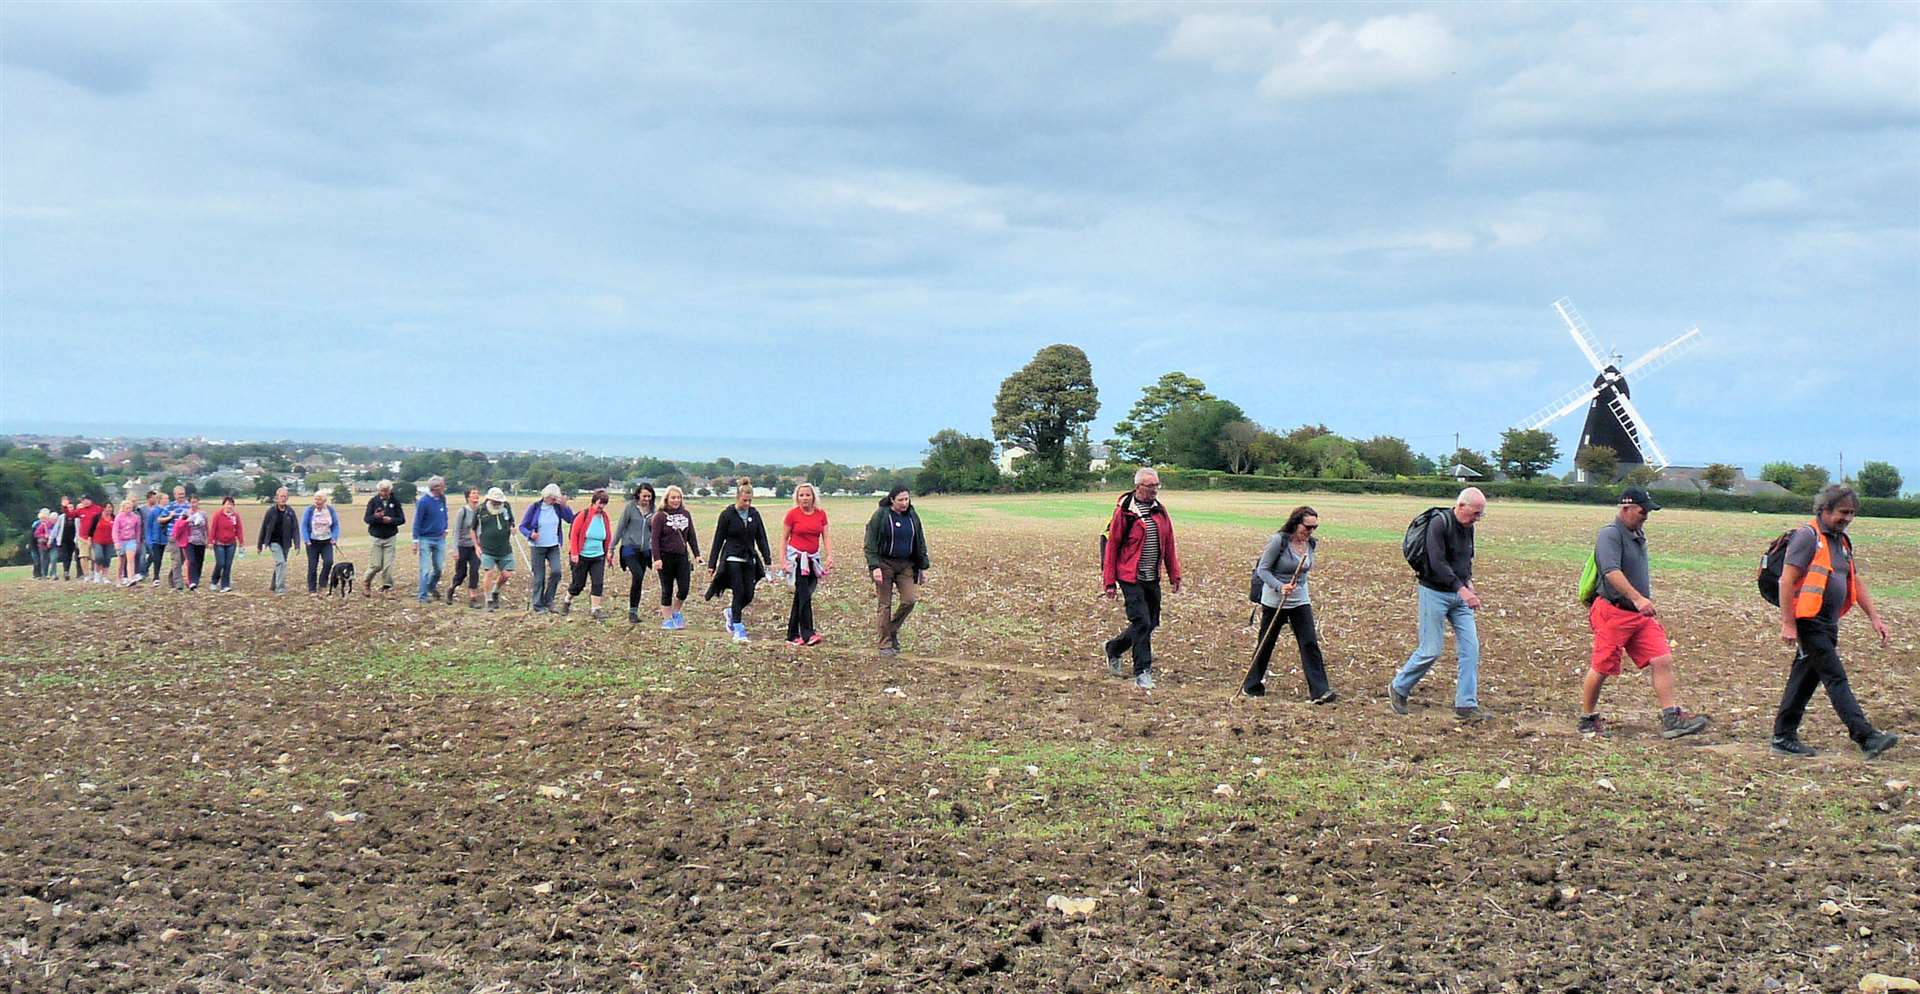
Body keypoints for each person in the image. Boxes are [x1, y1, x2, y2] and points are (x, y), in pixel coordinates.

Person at [1770, 485, 1899, 760]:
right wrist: (1788, 623)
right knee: (1835, 677)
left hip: (1828, 622)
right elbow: (1786, 580)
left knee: (1804, 678)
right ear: (1824, 509)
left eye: (1852, 513)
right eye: (1843, 512)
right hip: (1809, 621)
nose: (1848, 518)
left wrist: (1875, 618)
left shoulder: (1841, 540)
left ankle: (1783, 736)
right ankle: (1866, 737)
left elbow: (1855, 580)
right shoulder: (1808, 537)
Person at [1577, 488, 1709, 739]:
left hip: (1638, 615)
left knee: (1661, 658)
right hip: (1613, 612)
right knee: (1602, 667)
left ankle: (1671, 717)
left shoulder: (1637, 533)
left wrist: (1639, 603)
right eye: (1642, 510)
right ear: (1625, 507)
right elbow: (1610, 571)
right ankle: (1587, 718)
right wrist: (1637, 599)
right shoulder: (1610, 535)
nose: (1646, 515)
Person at [1390, 488, 1490, 721]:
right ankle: (1399, 688)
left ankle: (1466, 705)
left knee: (1470, 649)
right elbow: (1437, 563)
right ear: (1461, 506)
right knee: (1431, 649)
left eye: (1480, 515)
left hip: (1460, 595)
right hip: (1434, 593)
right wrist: (1462, 589)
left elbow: (1466, 558)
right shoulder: (1439, 523)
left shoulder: (1468, 527)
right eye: (1475, 513)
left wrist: (1469, 582)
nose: (1477, 519)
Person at [1241, 505, 1334, 703]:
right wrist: (1280, 586)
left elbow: (1304, 572)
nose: (1310, 532)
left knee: (1309, 643)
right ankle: (1251, 685)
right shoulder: (1278, 541)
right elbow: (1263, 570)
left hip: (1300, 600)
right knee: (1266, 643)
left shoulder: (1311, 544)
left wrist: (1296, 587)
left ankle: (1320, 691)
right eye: (1307, 527)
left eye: (1314, 528)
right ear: (1296, 523)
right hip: (1275, 601)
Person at [1100, 469, 1181, 690]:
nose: (1155, 489)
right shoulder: (1125, 512)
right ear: (1138, 487)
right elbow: (1112, 546)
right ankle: (1143, 672)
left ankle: (1114, 648)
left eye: (1157, 485)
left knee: (1151, 622)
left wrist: (1174, 574)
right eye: (1150, 486)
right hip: (1130, 576)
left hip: (1151, 576)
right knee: (1142, 622)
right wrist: (1109, 582)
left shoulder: (1160, 511)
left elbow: (1169, 544)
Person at [865, 485, 932, 658]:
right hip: (884, 564)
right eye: (900, 499)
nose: (904, 503)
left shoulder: (912, 516)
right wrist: (874, 567)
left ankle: (891, 629)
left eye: (907, 499)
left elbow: (919, 541)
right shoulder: (881, 515)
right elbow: (870, 543)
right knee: (885, 604)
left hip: (906, 565)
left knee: (909, 600)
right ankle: (885, 643)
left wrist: (923, 567)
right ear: (892, 500)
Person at [705, 478, 774, 642]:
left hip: (749, 558)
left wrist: (767, 559)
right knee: (738, 592)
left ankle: (731, 612)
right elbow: (718, 540)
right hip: (732, 559)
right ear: (737, 497)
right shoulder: (727, 515)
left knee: (748, 594)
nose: (747, 504)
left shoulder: (754, 515)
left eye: (750, 500)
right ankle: (738, 629)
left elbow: (761, 538)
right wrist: (712, 564)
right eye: (745, 500)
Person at [782, 482, 832, 647]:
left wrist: (829, 555)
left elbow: (825, 536)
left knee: (803, 596)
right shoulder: (792, 515)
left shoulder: (821, 514)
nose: (804, 498)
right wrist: (783, 560)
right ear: (797, 497)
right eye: (801, 495)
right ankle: (808, 633)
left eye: (807, 495)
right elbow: (784, 538)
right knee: (803, 594)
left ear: (813, 497)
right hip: (797, 559)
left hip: (813, 559)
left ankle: (792, 634)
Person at [519, 484, 575, 614]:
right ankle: (538, 605)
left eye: (556, 498)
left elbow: (570, 519)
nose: (554, 501)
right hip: (537, 547)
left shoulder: (557, 508)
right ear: (546, 496)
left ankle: (549, 600)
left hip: (553, 545)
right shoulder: (535, 507)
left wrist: (565, 505)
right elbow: (523, 526)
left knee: (556, 572)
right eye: (552, 498)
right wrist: (530, 534)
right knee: (539, 577)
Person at [650, 485, 700, 629]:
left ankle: (676, 612)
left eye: (678, 497)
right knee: (667, 589)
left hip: (682, 557)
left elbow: (691, 535)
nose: (676, 500)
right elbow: (655, 539)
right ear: (666, 499)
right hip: (665, 557)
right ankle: (667, 619)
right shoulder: (659, 516)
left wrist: (697, 555)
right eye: (673, 497)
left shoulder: (686, 514)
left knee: (684, 588)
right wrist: (657, 558)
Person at [561, 488, 615, 620]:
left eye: (604, 504)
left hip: (598, 556)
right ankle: (567, 600)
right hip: (582, 555)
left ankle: (595, 609)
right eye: (600, 503)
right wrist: (574, 553)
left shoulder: (605, 517)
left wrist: (609, 552)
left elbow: (607, 536)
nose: (601, 506)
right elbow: (574, 534)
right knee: (578, 584)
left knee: (598, 582)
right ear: (594, 502)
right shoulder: (583, 515)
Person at [615, 483, 657, 624]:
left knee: (638, 581)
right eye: (644, 496)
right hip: (629, 548)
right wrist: (611, 548)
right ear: (638, 494)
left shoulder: (654, 510)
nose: (647, 499)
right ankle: (632, 611)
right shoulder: (630, 508)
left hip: (644, 550)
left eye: (649, 497)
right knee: (637, 575)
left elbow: (656, 532)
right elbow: (620, 527)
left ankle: (633, 611)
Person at [475, 487, 517, 612]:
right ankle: (488, 601)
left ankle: (495, 591)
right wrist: (477, 546)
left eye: (499, 501)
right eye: (495, 501)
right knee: (489, 573)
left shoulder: (506, 506)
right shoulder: (481, 509)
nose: (498, 503)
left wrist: (513, 528)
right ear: (490, 499)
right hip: (487, 548)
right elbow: (473, 529)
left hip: (504, 548)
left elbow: (511, 522)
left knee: (506, 574)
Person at [362, 481, 406, 595]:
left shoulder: (395, 502)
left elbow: (401, 519)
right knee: (376, 565)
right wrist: (376, 517)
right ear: (379, 490)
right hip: (376, 536)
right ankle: (366, 582)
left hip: (390, 536)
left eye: (386, 490)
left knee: (388, 566)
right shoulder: (373, 502)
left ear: (390, 491)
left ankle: (387, 587)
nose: (384, 493)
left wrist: (391, 520)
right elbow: (367, 519)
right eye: (382, 490)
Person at [257, 486, 301, 595]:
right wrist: (259, 545)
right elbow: (264, 528)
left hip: (286, 543)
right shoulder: (271, 511)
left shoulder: (290, 512)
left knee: (280, 564)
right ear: (277, 497)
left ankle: (273, 585)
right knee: (281, 562)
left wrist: (297, 545)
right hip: (273, 542)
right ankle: (280, 589)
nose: (283, 498)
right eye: (281, 496)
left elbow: (295, 529)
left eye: (285, 496)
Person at [446, 487, 484, 608]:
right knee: (461, 574)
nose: (476, 495)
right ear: (468, 496)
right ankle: (451, 589)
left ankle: (473, 598)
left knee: (474, 570)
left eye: (477, 493)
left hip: (475, 547)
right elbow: (456, 531)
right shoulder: (462, 511)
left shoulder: (480, 511)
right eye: (473, 493)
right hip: (462, 546)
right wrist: (455, 549)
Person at [413, 475, 448, 604]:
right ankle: (422, 596)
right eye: (443, 485)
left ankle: (431, 586)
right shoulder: (423, 502)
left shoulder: (442, 499)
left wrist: (445, 528)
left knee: (439, 568)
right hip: (425, 539)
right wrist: (415, 541)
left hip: (439, 539)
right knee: (425, 569)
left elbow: (444, 514)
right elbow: (417, 522)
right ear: (436, 487)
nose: (444, 488)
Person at [302, 492, 341, 594]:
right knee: (312, 566)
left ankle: (323, 582)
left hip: (326, 541)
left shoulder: (330, 510)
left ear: (325, 501)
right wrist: (306, 540)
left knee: (329, 561)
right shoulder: (309, 510)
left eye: (320, 501)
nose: (318, 503)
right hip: (312, 542)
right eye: (316, 500)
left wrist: (334, 538)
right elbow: (304, 526)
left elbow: (336, 525)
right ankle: (312, 589)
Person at [207, 495, 245, 593]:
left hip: (231, 544)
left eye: (231, 504)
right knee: (220, 563)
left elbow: (239, 529)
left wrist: (241, 542)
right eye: (228, 504)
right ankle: (214, 581)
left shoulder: (235, 516)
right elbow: (213, 529)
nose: (229, 506)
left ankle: (225, 584)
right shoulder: (217, 515)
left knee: (228, 565)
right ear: (223, 505)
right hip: (219, 543)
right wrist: (210, 541)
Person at [70, 496, 103, 582]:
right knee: (83, 556)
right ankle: (86, 575)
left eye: (86, 500)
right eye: (83, 501)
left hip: (95, 536)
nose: (85, 502)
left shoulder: (98, 509)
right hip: (83, 537)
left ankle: (94, 572)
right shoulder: (80, 510)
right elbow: (71, 515)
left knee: (95, 557)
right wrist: (65, 507)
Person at [142, 490, 171, 586]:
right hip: (155, 539)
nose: (167, 500)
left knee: (159, 558)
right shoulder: (154, 511)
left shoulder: (169, 511)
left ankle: (147, 570)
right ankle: (156, 577)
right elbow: (149, 526)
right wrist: (149, 539)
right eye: (165, 498)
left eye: (168, 498)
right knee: (156, 558)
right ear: (160, 500)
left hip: (164, 538)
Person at [113, 497, 143, 586]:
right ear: (123, 508)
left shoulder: (136, 517)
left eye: (130, 508)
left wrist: (137, 541)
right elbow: (115, 530)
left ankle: (131, 578)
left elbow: (138, 530)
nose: (129, 510)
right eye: (127, 508)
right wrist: (116, 542)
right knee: (121, 561)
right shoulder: (119, 517)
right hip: (121, 540)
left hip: (131, 540)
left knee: (131, 559)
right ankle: (119, 578)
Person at [182, 496, 210, 590]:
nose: (193, 504)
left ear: (198, 502)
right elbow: (181, 525)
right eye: (191, 502)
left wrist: (208, 540)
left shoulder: (203, 514)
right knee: (191, 560)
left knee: (199, 561)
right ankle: (192, 581)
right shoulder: (186, 513)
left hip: (201, 541)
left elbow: (206, 527)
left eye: (195, 502)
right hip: (189, 540)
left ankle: (196, 579)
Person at [88, 501, 117, 585]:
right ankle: (97, 574)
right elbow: (91, 529)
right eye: (108, 507)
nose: (110, 509)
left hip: (109, 541)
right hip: (97, 541)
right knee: (99, 556)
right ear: (104, 508)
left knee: (107, 558)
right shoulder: (97, 517)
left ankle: (105, 576)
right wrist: (89, 539)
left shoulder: (114, 518)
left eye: (111, 507)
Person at [32, 509, 54, 580]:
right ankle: (40, 574)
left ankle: (46, 573)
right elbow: (35, 534)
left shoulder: (50, 524)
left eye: (45, 518)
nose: (43, 519)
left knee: (47, 559)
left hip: (48, 543)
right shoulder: (37, 524)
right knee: (40, 559)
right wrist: (44, 536)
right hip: (40, 544)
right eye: (42, 518)